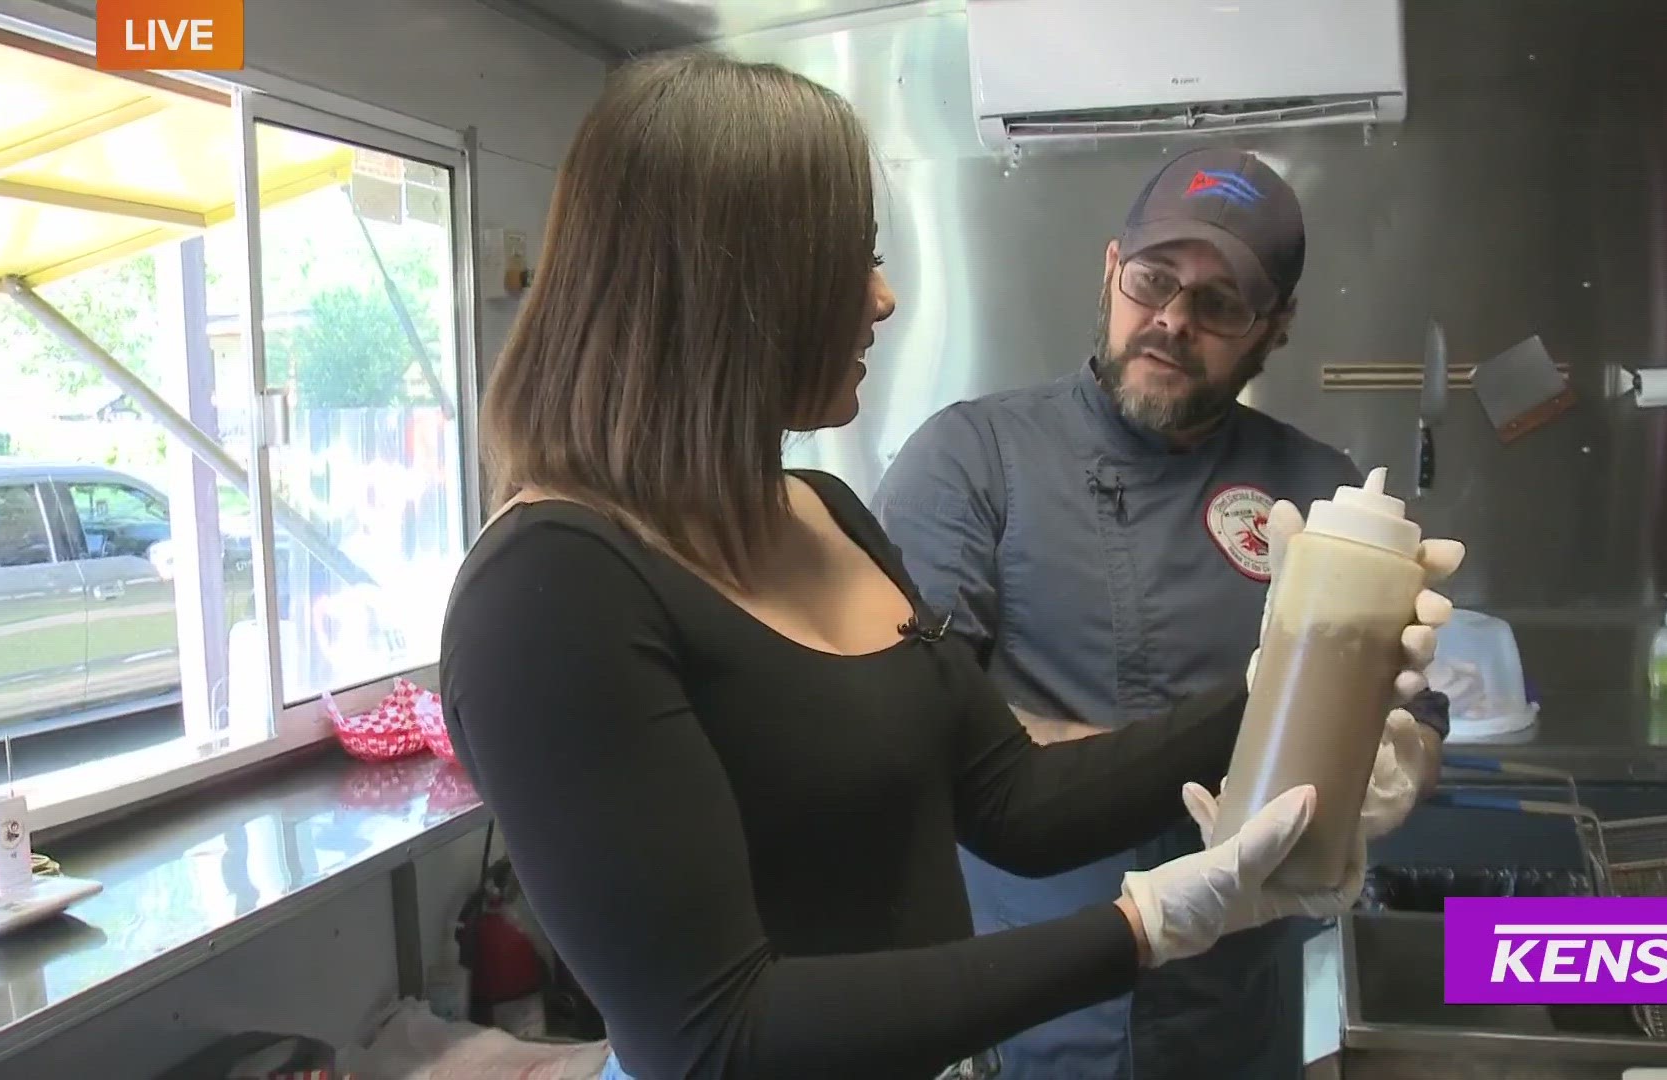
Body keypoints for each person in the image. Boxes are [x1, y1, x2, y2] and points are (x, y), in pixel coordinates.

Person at [440, 51, 1461, 1080]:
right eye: (853, 257)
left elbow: (1012, 800)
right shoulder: (550, 591)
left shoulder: (820, 512)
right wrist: (1142, 926)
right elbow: (718, 1037)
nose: (882, 298)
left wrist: (1291, 682)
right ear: (729, 283)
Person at [872, 146, 1463, 1080]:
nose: (1173, 321)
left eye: (1221, 304)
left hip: (1236, 1029)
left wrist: (1391, 763)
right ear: (1111, 270)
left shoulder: (1321, 494)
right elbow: (918, 728)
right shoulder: (972, 459)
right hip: (1027, 1014)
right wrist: (1201, 757)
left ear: (1274, 329)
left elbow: (1415, 713)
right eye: (1153, 280)